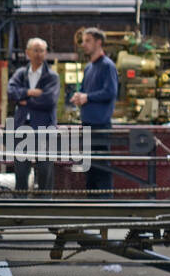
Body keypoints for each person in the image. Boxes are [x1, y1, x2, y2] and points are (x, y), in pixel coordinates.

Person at [6, 37, 60, 193]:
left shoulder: (52, 77)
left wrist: (24, 101)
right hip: (22, 127)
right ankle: (21, 208)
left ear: (46, 53)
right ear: (27, 53)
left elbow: (49, 100)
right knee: (21, 171)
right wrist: (29, 92)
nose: (38, 54)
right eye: (35, 50)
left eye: (41, 50)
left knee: (45, 170)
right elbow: (10, 92)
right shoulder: (20, 74)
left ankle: (45, 206)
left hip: (44, 129)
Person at [71, 27, 118, 193]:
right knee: (89, 168)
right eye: (83, 41)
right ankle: (92, 204)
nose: (84, 44)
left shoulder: (107, 66)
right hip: (87, 124)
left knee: (102, 168)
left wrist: (87, 97)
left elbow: (110, 92)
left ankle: (105, 206)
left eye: (88, 41)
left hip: (100, 125)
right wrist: (79, 97)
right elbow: (85, 91)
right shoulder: (88, 68)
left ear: (99, 42)